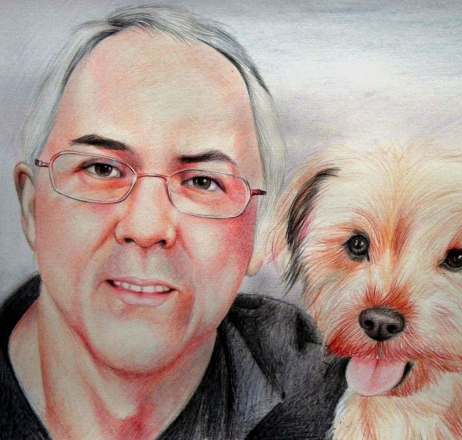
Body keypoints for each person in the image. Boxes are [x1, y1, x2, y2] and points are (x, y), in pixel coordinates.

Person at [0, 5, 345, 440]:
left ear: (262, 233)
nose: (146, 228)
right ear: (32, 208)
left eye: (202, 181)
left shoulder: (339, 397)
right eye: (102, 169)